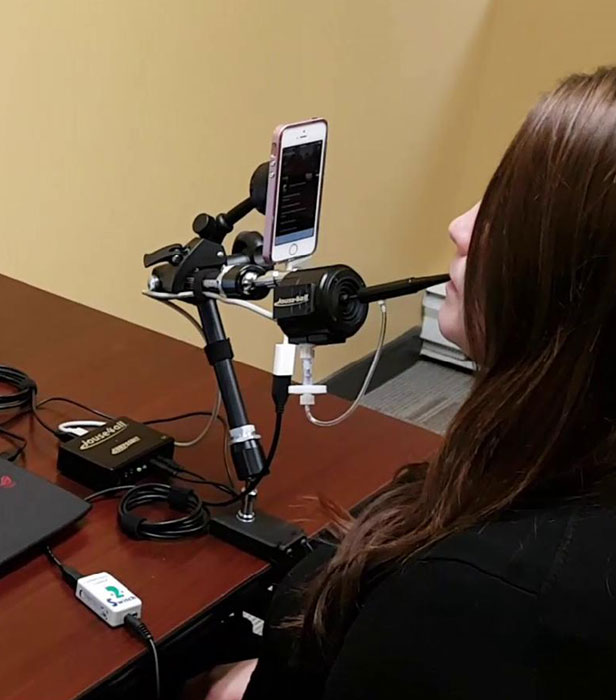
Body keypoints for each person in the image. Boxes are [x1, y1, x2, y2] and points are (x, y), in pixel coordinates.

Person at [203, 65, 616, 699]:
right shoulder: (557, 467)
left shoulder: (469, 601)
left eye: (510, 210)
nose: (461, 225)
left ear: (581, 285)